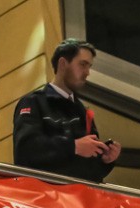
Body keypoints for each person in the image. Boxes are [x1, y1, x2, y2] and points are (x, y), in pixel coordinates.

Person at [13, 39, 121, 182]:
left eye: (89, 66)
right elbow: (26, 150)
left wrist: (105, 160)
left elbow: (89, 172)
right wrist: (73, 146)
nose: (87, 72)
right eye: (82, 65)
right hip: (43, 193)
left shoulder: (82, 110)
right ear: (63, 64)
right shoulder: (33, 102)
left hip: (77, 194)